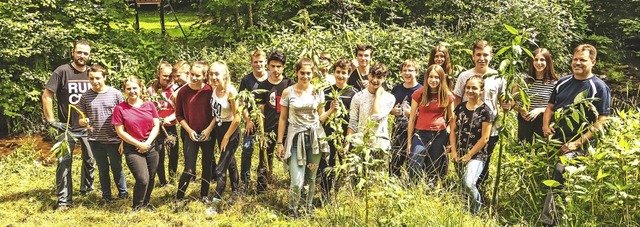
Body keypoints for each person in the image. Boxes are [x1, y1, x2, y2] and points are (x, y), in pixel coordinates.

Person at [540, 44, 611, 225]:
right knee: (549, 175)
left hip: (582, 145)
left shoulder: (599, 88)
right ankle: (561, 215)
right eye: (575, 59)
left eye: (583, 60)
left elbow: (601, 121)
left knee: (560, 170)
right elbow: (550, 107)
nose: (577, 63)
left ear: (593, 62)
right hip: (557, 140)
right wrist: (546, 126)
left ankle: (548, 221)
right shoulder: (562, 82)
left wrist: (577, 143)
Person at [42, 40, 95, 210]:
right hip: (67, 128)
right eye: (79, 52)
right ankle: (64, 200)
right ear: (73, 52)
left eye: (85, 53)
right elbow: (47, 95)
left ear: (89, 55)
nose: (82, 56)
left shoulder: (92, 73)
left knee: (90, 160)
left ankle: (87, 190)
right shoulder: (62, 71)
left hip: (88, 128)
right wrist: (51, 120)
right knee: (64, 162)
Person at [276, 58, 332, 217]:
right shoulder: (288, 92)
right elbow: (283, 118)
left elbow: (320, 117)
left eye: (308, 73)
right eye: (302, 73)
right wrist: (280, 142)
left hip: (315, 140)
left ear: (313, 73)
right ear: (296, 73)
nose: (305, 76)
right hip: (295, 139)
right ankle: (293, 209)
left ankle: (307, 207)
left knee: (311, 177)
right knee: (296, 181)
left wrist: (332, 110)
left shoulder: (317, 91)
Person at [453, 40, 508, 191]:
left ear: (491, 56)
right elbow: (457, 100)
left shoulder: (499, 77)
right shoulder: (464, 76)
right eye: (478, 55)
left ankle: (478, 191)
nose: (481, 58)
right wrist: (455, 125)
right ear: (473, 56)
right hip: (465, 129)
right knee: (461, 160)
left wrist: (508, 105)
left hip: (489, 129)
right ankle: (464, 191)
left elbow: (503, 101)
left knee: (483, 162)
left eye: (485, 55)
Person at [77, 64, 127, 203]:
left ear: (104, 77)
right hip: (95, 140)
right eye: (91, 79)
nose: (95, 81)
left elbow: (125, 117)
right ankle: (106, 196)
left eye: (98, 78)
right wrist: (84, 121)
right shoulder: (85, 97)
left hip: (114, 139)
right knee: (102, 169)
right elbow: (80, 119)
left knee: (117, 167)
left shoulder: (116, 94)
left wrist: (123, 139)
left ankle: (123, 193)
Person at [112, 76, 161, 211]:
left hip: (151, 146)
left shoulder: (150, 105)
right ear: (124, 91)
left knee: (151, 177)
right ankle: (137, 206)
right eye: (129, 89)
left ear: (140, 89)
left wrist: (148, 143)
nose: (132, 91)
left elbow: (156, 126)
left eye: (135, 88)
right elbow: (120, 132)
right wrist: (138, 144)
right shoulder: (120, 109)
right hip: (133, 148)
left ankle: (146, 202)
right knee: (142, 179)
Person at [450, 75, 494, 214]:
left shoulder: (486, 111)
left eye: (474, 88)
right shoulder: (460, 108)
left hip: (477, 155)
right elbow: (453, 130)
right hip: (459, 152)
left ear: (481, 90)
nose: (470, 90)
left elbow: (485, 138)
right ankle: (466, 211)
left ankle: (476, 211)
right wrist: (454, 151)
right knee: (463, 185)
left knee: (469, 183)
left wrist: (469, 155)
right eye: (468, 87)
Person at [174, 61, 216, 203]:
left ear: (204, 76)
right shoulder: (183, 92)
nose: (194, 78)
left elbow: (217, 113)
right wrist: (189, 130)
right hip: (190, 133)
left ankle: (204, 195)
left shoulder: (210, 91)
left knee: (207, 165)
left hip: (208, 133)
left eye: (198, 75)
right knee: (189, 168)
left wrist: (209, 130)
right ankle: (179, 196)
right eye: (192, 74)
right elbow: (178, 115)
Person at [406, 64, 454, 182]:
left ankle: (430, 192)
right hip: (421, 134)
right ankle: (413, 189)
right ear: (426, 78)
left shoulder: (447, 95)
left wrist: (451, 140)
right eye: (431, 77)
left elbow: (452, 120)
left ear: (441, 79)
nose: (433, 80)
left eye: (437, 77)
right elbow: (412, 119)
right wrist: (409, 142)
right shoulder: (419, 94)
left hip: (439, 135)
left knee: (434, 167)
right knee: (414, 163)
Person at [255, 50, 294, 193]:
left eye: (279, 66)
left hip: (288, 129)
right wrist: (261, 132)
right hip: (268, 130)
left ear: (283, 66)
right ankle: (261, 189)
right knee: (264, 160)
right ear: (268, 66)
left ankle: (294, 187)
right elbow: (260, 111)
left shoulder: (290, 85)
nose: (275, 70)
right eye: (273, 66)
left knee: (292, 160)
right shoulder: (262, 86)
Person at [318, 58, 356, 201]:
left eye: (344, 73)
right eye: (338, 72)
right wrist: (332, 110)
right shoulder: (326, 91)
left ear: (348, 74)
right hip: (328, 136)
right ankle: (325, 198)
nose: (341, 75)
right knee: (327, 167)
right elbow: (320, 118)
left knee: (347, 167)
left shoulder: (353, 93)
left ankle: (347, 198)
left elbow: (353, 119)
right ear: (333, 73)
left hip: (346, 136)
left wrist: (347, 141)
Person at [208, 61, 241, 201]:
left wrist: (227, 137)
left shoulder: (231, 92)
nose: (214, 77)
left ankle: (216, 201)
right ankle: (236, 191)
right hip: (219, 129)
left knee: (220, 169)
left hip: (231, 131)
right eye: (211, 74)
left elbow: (238, 117)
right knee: (230, 162)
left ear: (225, 75)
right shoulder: (214, 89)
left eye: (217, 73)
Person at [346, 63, 396, 151]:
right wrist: (347, 144)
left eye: (379, 77)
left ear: (384, 79)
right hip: (360, 144)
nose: (375, 80)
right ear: (368, 76)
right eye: (372, 76)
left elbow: (374, 117)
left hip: (379, 146)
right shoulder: (358, 96)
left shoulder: (389, 98)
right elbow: (353, 122)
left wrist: (377, 95)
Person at [239, 49, 269, 191]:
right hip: (251, 121)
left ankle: (262, 183)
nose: (258, 64)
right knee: (247, 150)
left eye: (261, 62)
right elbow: (241, 103)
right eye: (255, 62)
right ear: (251, 63)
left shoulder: (271, 79)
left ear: (266, 62)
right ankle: (244, 182)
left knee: (265, 152)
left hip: (268, 122)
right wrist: (247, 120)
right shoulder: (246, 80)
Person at [513, 48, 558, 143]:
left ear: (548, 62)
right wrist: (520, 110)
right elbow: (512, 101)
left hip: (544, 121)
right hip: (525, 120)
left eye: (542, 60)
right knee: (522, 149)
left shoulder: (555, 83)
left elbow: (557, 106)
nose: (539, 63)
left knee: (542, 151)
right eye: (536, 60)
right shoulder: (523, 81)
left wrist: (540, 110)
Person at [389, 59, 423, 178]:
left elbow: (426, 113)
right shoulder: (396, 89)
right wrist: (392, 111)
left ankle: (410, 187)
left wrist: (413, 114)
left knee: (413, 162)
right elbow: (388, 107)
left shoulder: (421, 90)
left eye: (410, 70)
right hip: (398, 131)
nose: (407, 73)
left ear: (416, 72)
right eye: (404, 70)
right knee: (395, 162)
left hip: (416, 132)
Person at [147, 61, 179, 186]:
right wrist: (157, 120)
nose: (168, 79)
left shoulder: (175, 89)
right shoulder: (151, 90)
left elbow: (179, 110)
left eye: (170, 76)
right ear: (158, 75)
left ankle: (173, 178)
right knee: (159, 154)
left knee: (173, 154)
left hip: (170, 126)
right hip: (156, 128)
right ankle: (162, 181)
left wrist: (169, 118)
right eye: (165, 76)